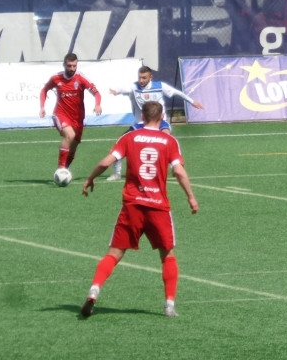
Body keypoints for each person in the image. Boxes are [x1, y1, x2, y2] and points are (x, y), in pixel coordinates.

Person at [80, 100, 199, 318]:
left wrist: (90, 178)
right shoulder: (169, 141)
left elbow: (107, 162)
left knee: (114, 253)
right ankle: (169, 305)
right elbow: (179, 172)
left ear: (142, 117)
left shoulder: (129, 137)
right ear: (162, 117)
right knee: (168, 255)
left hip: (133, 205)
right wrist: (191, 197)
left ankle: (94, 290)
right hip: (158, 207)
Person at [104, 65, 204, 181]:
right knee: (120, 142)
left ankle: (176, 167)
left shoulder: (160, 86)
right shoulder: (134, 87)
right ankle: (116, 173)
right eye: (140, 78)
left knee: (168, 139)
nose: (141, 80)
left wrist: (192, 101)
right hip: (141, 123)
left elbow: (177, 93)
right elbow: (124, 88)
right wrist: (116, 91)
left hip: (159, 122)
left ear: (151, 77)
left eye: (144, 78)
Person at [39, 53, 102, 175]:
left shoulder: (81, 78)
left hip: (78, 118)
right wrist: (42, 107)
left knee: (73, 147)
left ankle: (64, 171)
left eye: (74, 66)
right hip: (60, 114)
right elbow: (44, 90)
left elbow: (96, 93)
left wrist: (97, 104)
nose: (72, 69)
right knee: (70, 135)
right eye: (69, 66)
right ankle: (61, 168)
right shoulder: (56, 78)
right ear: (64, 65)